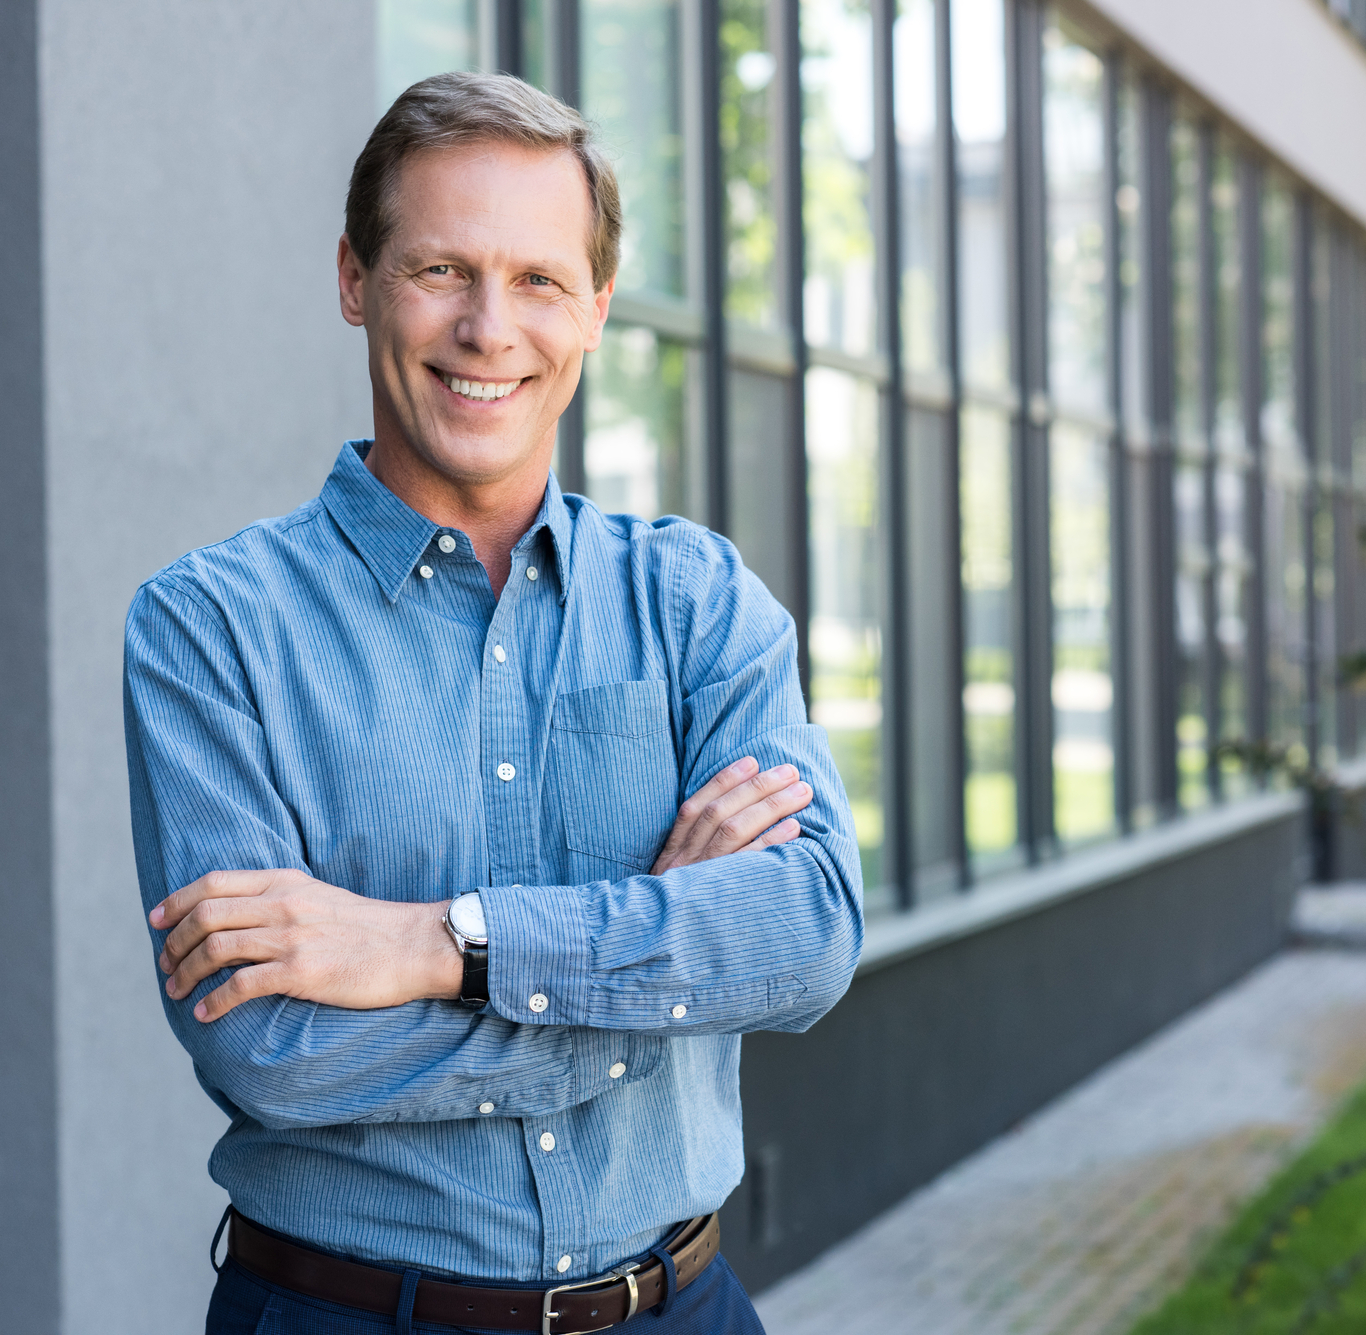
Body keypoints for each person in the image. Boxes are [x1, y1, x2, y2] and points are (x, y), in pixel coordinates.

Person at [122, 70, 864, 1335]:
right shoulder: (210, 628)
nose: (487, 327)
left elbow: (804, 933)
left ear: (596, 311)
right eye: (439, 272)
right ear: (355, 281)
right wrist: (658, 973)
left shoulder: (692, 601)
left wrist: (432, 947)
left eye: (537, 282)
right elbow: (276, 1055)